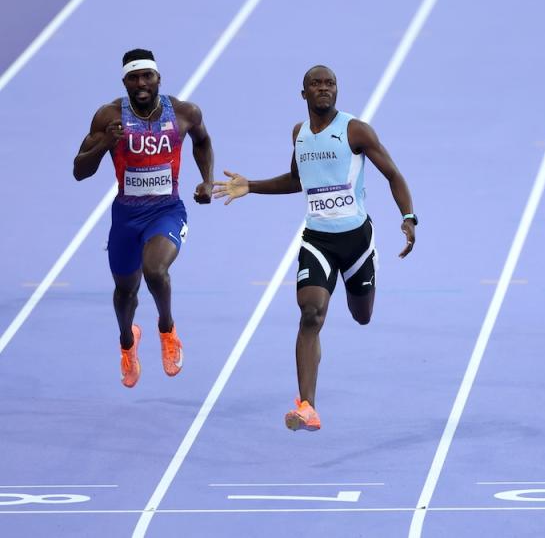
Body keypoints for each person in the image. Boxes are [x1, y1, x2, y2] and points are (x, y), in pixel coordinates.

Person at [212, 65, 416, 431]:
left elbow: (394, 174)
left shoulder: (355, 131)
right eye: (315, 84)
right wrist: (251, 186)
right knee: (311, 314)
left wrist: (408, 216)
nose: (323, 88)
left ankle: (367, 278)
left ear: (337, 90)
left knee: (362, 316)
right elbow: (296, 180)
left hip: (357, 243)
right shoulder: (300, 134)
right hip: (317, 240)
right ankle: (307, 406)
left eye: (330, 83)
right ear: (303, 93)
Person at [73, 48, 214, 388]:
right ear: (124, 82)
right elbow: (79, 170)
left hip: (166, 211)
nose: (141, 83)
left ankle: (167, 330)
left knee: (156, 271)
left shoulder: (184, 112)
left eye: (147, 76)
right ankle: (127, 342)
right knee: (125, 293)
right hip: (126, 218)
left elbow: (203, 141)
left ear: (158, 79)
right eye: (133, 77)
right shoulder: (108, 117)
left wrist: (207, 181)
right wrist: (105, 143)